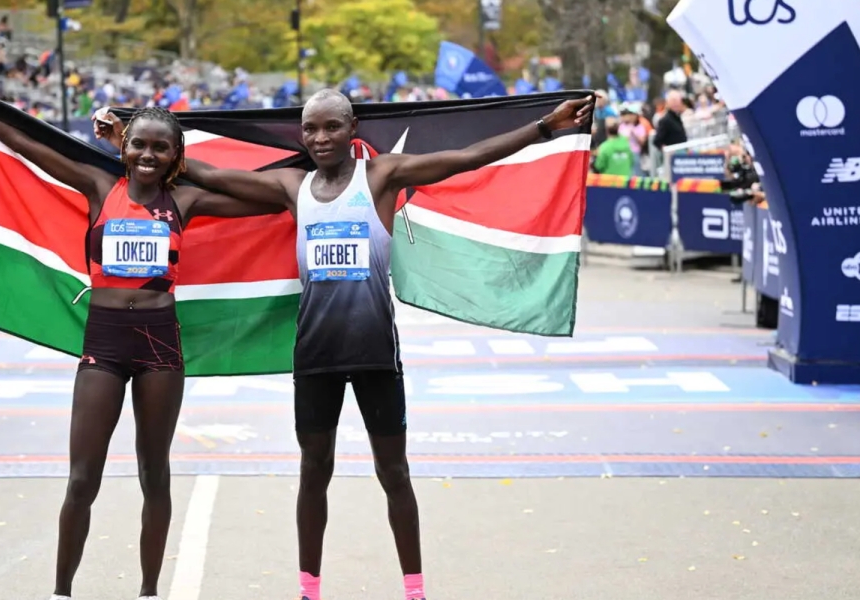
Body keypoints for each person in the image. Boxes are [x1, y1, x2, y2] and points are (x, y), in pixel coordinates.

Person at [177, 88, 592, 600]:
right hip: (316, 355)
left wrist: (545, 128)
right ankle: (309, 591)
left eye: (332, 126)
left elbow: (467, 157)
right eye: (310, 129)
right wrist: (133, 140)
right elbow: (212, 175)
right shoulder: (292, 186)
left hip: (374, 352)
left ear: (352, 129)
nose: (320, 138)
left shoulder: (380, 176)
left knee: (393, 472)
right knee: (314, 472)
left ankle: (414, 591)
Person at [0, 62, 284, 600]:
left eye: (161, 148)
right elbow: (24, 143)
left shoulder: (186, 200)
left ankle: (149, 591)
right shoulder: (99, 185)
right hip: (105, 343)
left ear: (175, 155)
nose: (148, 155)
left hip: (160, 343)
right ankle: (61, 591)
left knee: (154, 473)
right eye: (139, 145)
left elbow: (271, 196)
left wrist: (193, 169)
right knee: (81, 478)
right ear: (123, 147)